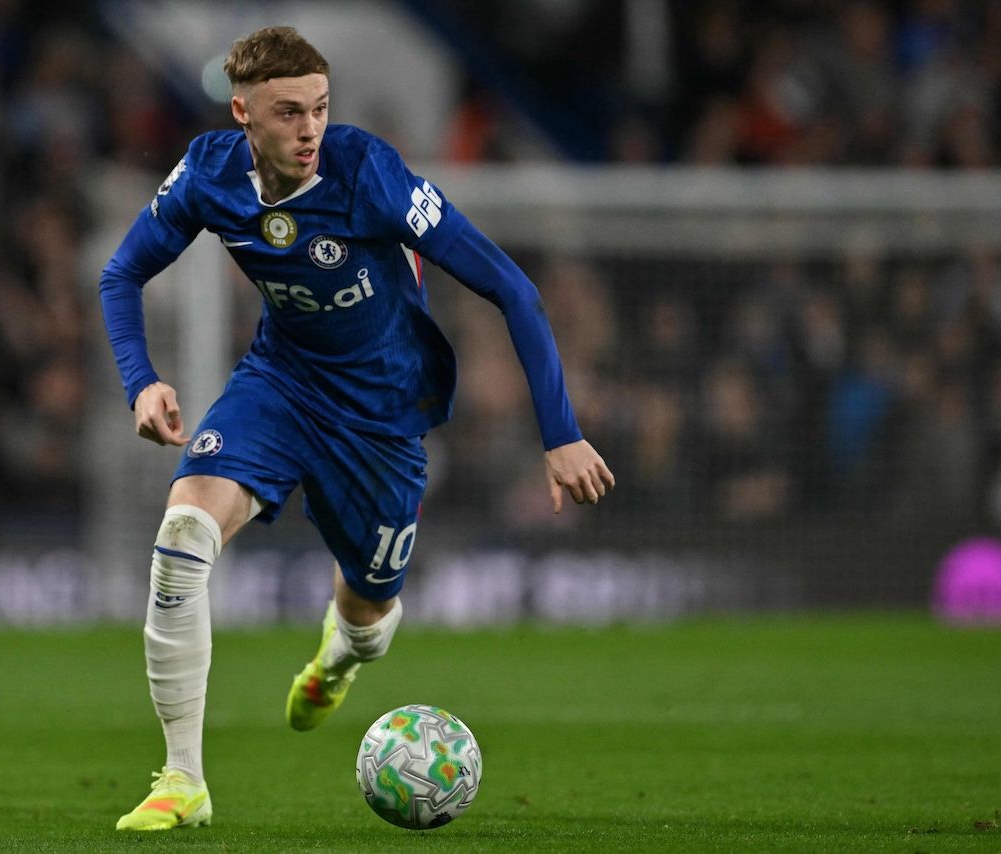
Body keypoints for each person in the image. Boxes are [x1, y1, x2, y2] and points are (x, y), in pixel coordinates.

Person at [98, 26, 615, 832]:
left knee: (369, 620)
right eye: (288, 112)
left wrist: (561, 433)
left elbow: (511, 288)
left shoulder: (367, 172)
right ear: (243, 113)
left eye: (320, 108)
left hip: (382, 416)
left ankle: (337, 659)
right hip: (280, 385)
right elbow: (122, 271)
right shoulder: (208, 173)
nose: (309, 129)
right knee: (183, 537)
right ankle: (182, 780)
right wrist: (142, 383)